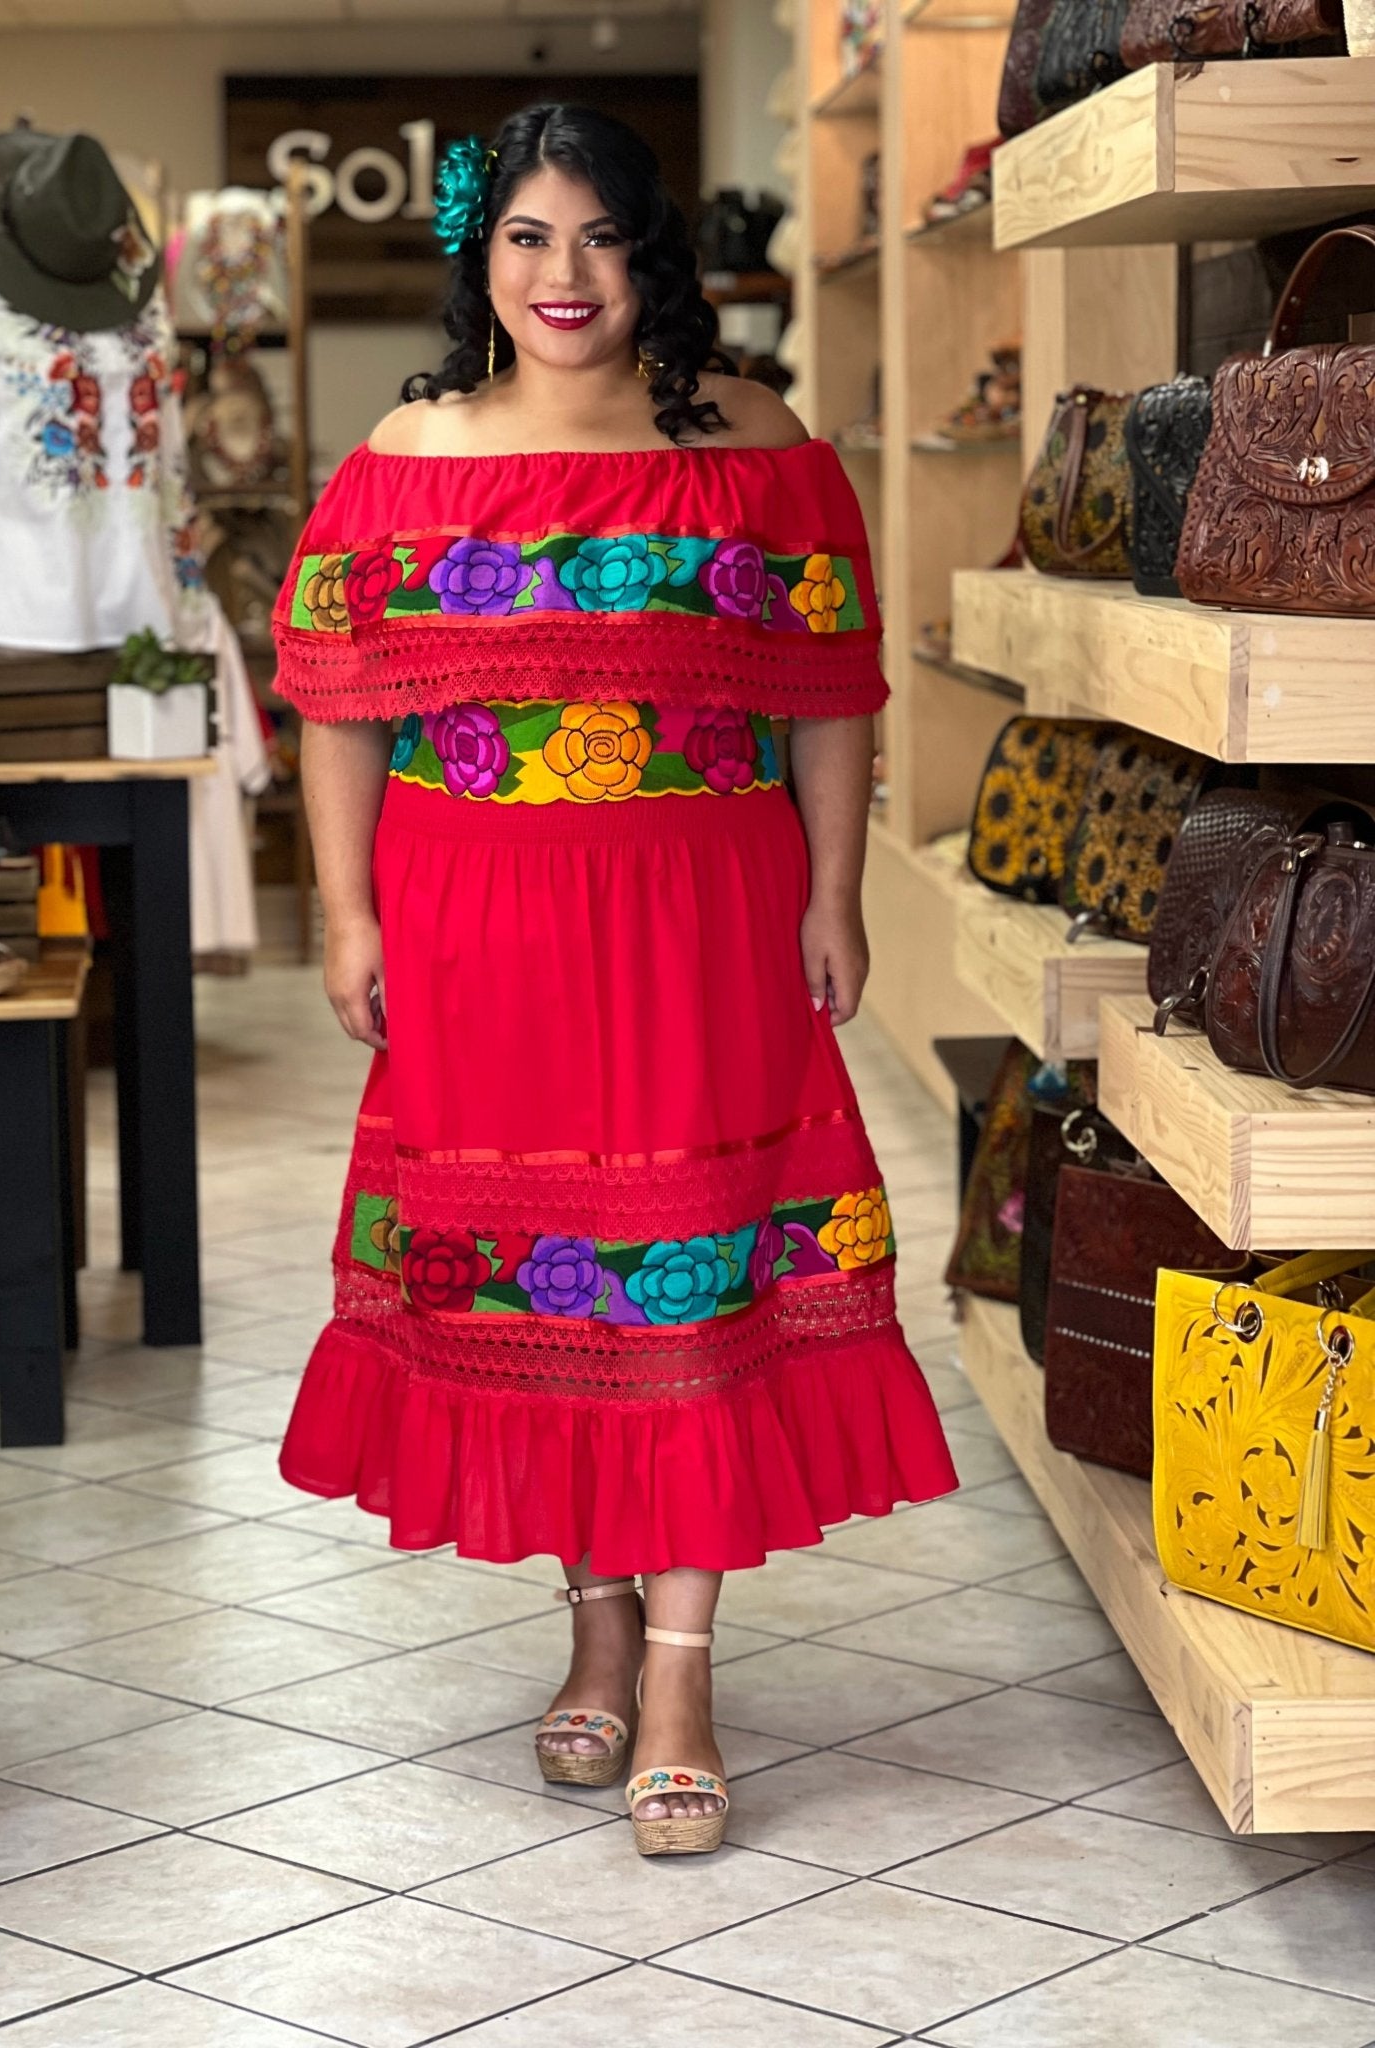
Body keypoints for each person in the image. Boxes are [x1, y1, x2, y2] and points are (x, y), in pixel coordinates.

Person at [271, 101, 957, 1859]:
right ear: (478, 260)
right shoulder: (407, 453)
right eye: (523, 238)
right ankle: (588, 1633)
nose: (561, 276)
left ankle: (681, 1677)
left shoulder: (756, 441)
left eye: (596, 237)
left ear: (650, 254)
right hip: (476, 927)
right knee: (544, 1280)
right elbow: (342, 704)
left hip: (703, 923)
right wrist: (347, 918)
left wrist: (835, 891)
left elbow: (827, 690)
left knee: (692, 1278)